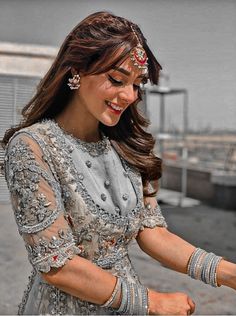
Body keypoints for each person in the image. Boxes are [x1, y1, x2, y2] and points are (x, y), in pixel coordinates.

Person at [2, 11, 236, 315]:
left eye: (137, 84)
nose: (128, 96)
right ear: (76, 71)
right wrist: (153, 302)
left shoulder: (126, 146)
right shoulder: (33, 147)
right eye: (116, 80)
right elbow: (57, 265)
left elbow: (152, 233)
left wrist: (228, 273)